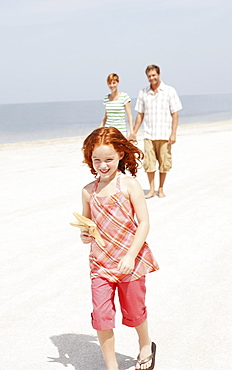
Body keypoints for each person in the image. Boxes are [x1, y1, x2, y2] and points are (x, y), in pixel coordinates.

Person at [80, 126, 159, 370]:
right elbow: (87, 225)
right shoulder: (87, 191)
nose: (102, 165)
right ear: (89, 160)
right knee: (102, 317)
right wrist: (84, 234)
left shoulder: (129, 185)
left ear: (121, 156)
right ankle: (112, 367)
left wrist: (131, 255)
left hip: (130, 262)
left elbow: (144, 223)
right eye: (96, 160)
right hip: (101, 264)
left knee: (134, 311)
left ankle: (145, 344)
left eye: (108, 159)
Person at [130, 65, 183, 198]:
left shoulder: (169, 91)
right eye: (149, 76)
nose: (152, 78)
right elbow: (140, 114)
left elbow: (175, 114)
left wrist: (173, 133)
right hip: (149, 134)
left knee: (164, 163)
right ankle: (152, 189)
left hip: (165, 134)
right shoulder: (143, 92)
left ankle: (161, 188)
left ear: (159, 74)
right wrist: (134, 132)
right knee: (149, 163)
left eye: (154, 75)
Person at [100, 73, 133, 137]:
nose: (112, 85)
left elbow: (129, 115)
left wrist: (132, 131)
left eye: (114, 83)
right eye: (110, 83)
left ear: (118, 83)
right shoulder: (106, 99)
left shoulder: (124, 97)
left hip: (121, 132)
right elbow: (106, 118)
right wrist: (98, 130)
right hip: (108, 132)